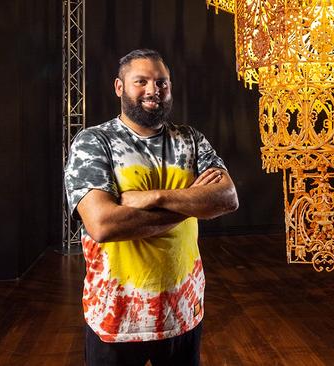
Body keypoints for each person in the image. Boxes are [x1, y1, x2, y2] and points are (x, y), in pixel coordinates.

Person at [64, 48, 238, 365]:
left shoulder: (191, 139)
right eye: (141, 81)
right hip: (116, 316)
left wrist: (152, 197)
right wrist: (193, 201)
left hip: (182, 311)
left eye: (161, 82)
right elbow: (103, 225)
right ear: (120, 87)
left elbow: (227, 198)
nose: (152, 91)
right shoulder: (94, 142)